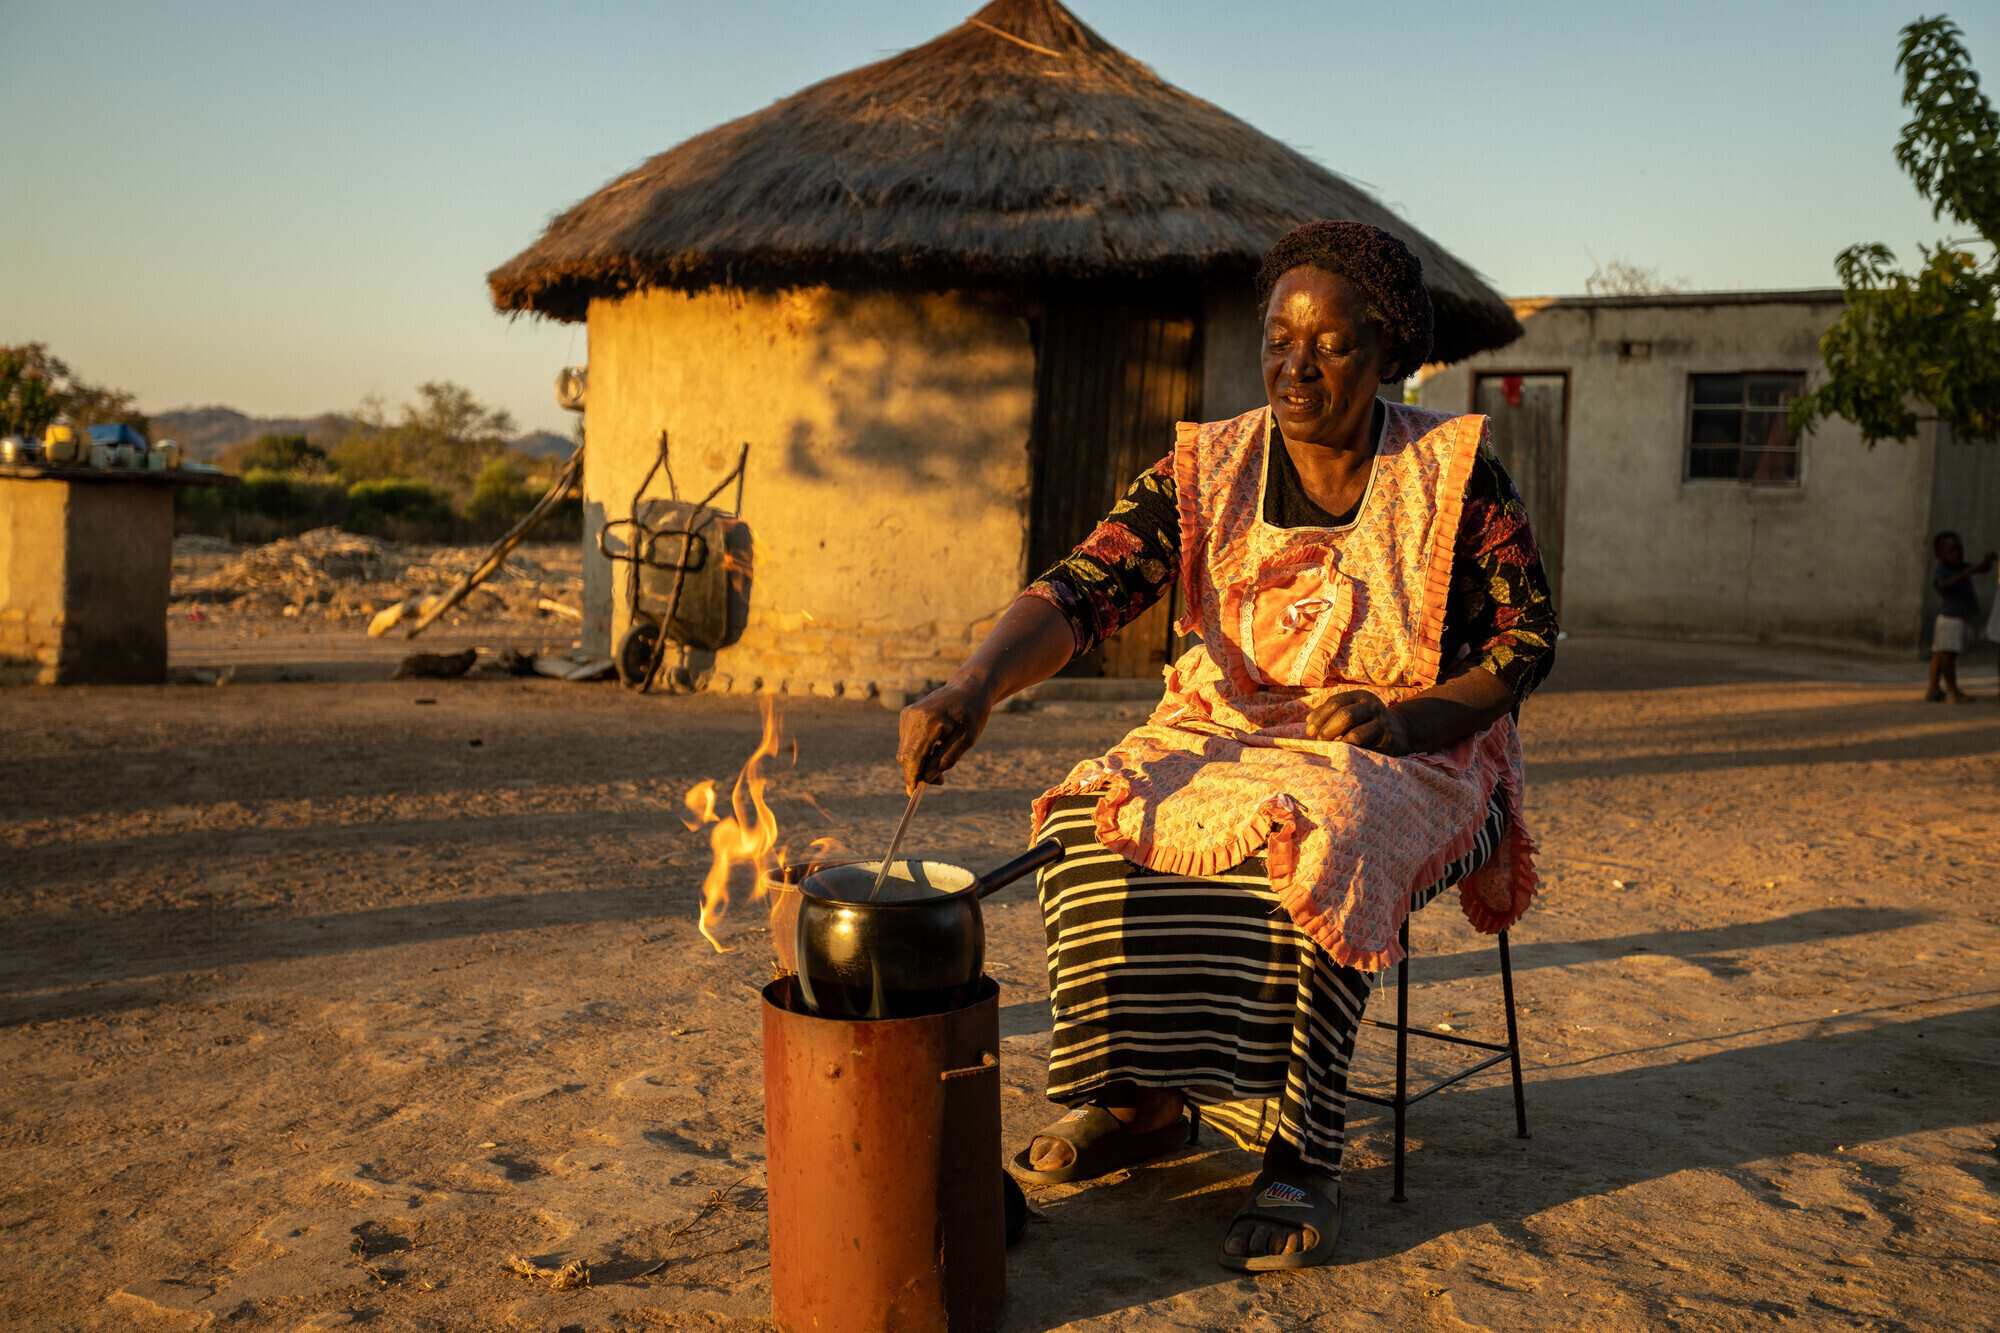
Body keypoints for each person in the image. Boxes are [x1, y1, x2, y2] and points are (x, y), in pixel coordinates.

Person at [897, 220, 1558, 1271]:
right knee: (1084, 818)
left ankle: (1301, 1149)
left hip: (1416, 747)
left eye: (1330, 345)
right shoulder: (1206, 469)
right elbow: (1086, 584)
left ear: (1388, 353)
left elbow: (1526, 640)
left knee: (1320, 835)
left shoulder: (1452, 471)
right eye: (1277, 338)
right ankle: (1141, 1099)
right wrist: (973, 684)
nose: (1295, 367)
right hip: (1230, 720)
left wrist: (1406, 720)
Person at [1927, 531, 1994, 703]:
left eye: (1959, 549)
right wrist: (1964, 574)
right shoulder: (1942, 570)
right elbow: (1942, 586)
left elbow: (1982, 569)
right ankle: (1952, 691)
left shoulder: (1961, 566)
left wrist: (1988, 560)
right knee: (1947, 656)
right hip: (1950, 618)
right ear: (1938, 554)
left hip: (1952, 618)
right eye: (1950, 550)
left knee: (1940, 653)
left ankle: (1933, 689)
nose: (1956, 553)